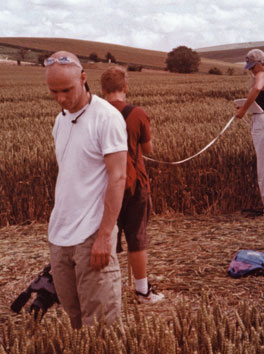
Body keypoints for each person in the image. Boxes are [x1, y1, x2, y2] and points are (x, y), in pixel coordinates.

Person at [44, 51, 127, 328]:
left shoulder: (107, 118)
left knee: (102, 327)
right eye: (53, 91)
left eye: (66, 90)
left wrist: (105, 237)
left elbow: (118, 178)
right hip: (60, 236)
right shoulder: (60, 121)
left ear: (83, 79)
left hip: (92, 236)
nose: (61, 98)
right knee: (76, 320)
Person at [100, 65, 164, 304]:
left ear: (103, 89)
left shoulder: (96, 114)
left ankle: (109, 291)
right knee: (136, 238)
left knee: (108, 237)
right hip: (135, 184)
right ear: (125, 88)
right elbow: (147, 150)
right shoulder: (137, 113)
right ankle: (142, 292)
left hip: (105, 186)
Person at [235, 49, 264, 217]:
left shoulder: (261, 75)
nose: (251, 70)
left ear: (259, 64)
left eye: (252, 66)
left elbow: (256, 89)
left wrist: (243, 109)